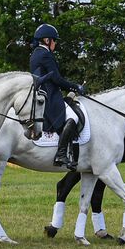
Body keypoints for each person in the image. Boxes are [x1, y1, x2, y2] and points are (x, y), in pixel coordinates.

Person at [29, 24, 85, 169]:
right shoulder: (45, 54)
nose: (56, 43)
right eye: (54, 40)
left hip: (42, 94)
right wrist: (75, 86)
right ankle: (61, 154)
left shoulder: (35, 53)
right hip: (49, 97)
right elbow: (57, 79)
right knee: (73, 117)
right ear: (47, 40)